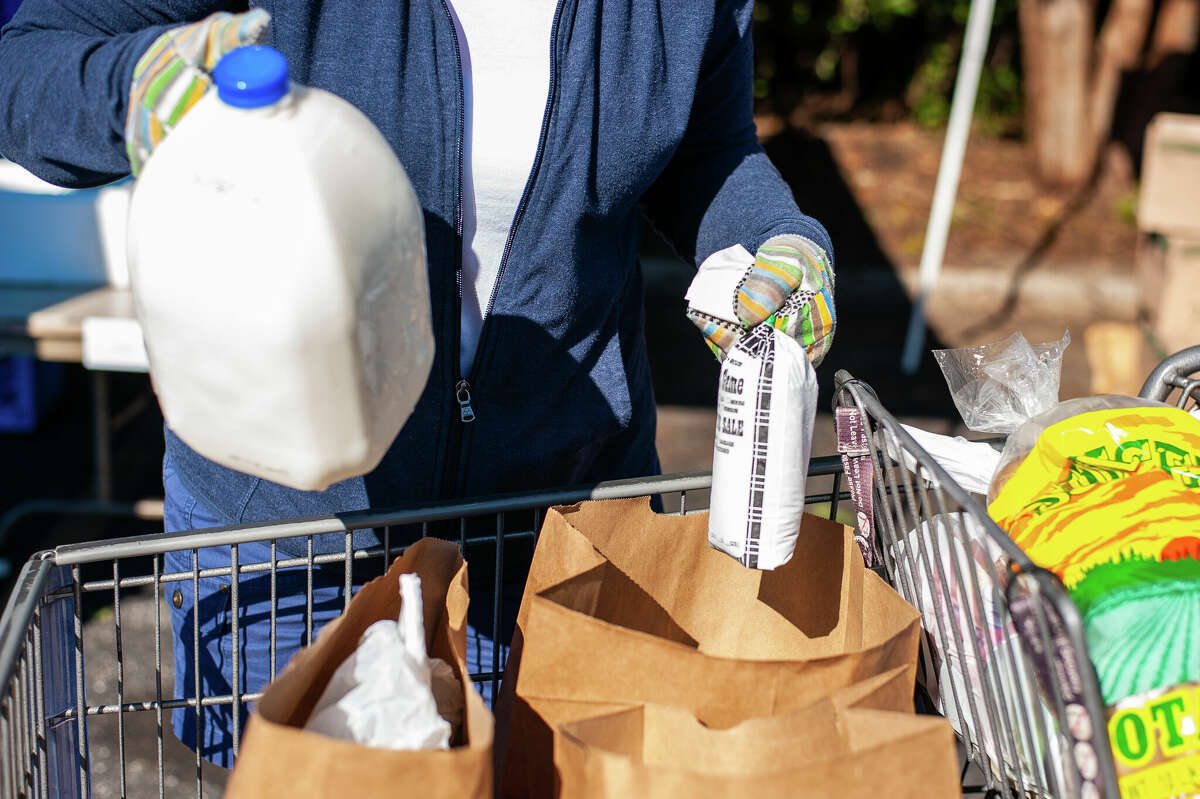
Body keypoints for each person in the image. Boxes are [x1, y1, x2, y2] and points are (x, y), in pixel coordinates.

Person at [0, 0, 836, 766]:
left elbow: (707, 150)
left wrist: (777, 236)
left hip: (560, 527)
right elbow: (24, 66)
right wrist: (129, 87)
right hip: (292, 534)